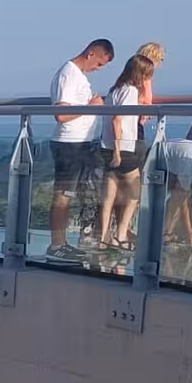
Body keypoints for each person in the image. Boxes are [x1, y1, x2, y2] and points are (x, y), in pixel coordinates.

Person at [47, 39, 115, 261]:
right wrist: (91, 107)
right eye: (99, 64)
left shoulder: (78, 76)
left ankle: (66, 243)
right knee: (63, 196)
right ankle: (57, 245)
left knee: (74, 195)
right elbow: (61, 115)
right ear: (91, 54)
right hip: (69, 145)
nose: (98, 69)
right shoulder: (68, 74)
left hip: (81, 143)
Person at [98, 53, 155, 251]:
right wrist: (118, 151)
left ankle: (103, 237)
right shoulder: (130, 91)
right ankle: (121, 234)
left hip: (105, 146)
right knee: (134, 193)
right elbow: (117, 119)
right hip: (123, 147)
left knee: (108, 197)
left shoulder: (114, 90)